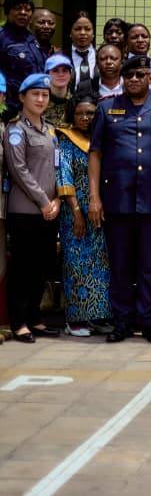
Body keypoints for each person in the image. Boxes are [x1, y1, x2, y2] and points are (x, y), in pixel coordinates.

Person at [88, 55, 151, 343]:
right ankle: (122, 321)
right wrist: (95, 197)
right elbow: (96, 153)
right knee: (121, 265)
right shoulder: (107, 107)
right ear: (123, 78)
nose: (135, 79)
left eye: (141, 74)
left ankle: (149, 321)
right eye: (130, 75)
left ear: (150, 77)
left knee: (149, 266)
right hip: (118, 200)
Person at [4, 73, 61, 342]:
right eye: (35, 94)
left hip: (50, 210)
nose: (41, 99)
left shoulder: (50, 130)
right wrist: (44, 201)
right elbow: (19, 171)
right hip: (26, 210)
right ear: (22, 98)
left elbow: (58, 166)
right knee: (22, 268)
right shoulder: (16, 131)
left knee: (42, 266)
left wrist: (58, 199)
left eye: (45, 95)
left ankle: (35, 317)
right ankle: (18, 321)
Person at [56, 93, 112, 337]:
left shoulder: (101, 139)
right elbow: (64, 177)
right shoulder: (66, 140)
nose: (85, 118)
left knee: (101, 265)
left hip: (100, 211)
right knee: (76, 265)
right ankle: (76, 319)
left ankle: (98, 316)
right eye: (80, 113)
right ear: (72, 114)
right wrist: (77, 212)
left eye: (90, 113)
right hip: (75, 213)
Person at [0, 0, 45, 120]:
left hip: (35, 109)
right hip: (11, 112)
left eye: (28, 9)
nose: (23, 13)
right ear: (8, 12)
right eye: (18, 9)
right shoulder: (2, 38)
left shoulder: (32, 38)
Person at [43, 54, 76, 127]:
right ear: (47, 75)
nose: (61, 74)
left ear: (70, 75)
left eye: (65, 70)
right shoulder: (39, 102)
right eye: (55, 70)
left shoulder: (76, 102)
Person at [67, 12, 97, 84]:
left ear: (93, 34)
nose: (83, 33)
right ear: (70, 33)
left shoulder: (100, 56)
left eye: (87, 29)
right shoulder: (61, 56)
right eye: (78, 29)